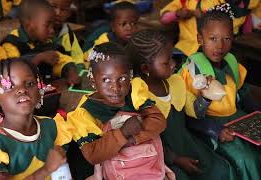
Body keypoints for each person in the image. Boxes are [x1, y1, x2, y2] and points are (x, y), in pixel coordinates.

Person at [127, 29, 231, 180]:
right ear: (145, 68)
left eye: (172, 58)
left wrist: (206, 97)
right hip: (163, 155)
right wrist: (175, 159)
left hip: (186, 144)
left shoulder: (175, 83)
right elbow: (144, 139)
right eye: (166, 61)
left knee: (218, 169)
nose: (173, 64)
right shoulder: (140, 95)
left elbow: (195, 111)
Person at [180, 4, 261, 180]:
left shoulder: (231, 62)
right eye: (213, 38)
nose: (220, 46)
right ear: (200, 39)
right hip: (211, 126)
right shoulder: (193, 71)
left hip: (238, 119)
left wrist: (257, 112)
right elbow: (189, 115)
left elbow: (242, 93)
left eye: (226, 39)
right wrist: (215, 130)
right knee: (246, 159)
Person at [68, 42, 170, 179]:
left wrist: (132, 138)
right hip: (119, 173)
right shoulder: (85, 113)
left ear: (131, 76)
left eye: (122, 78)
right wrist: (122, 133)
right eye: (106, 80)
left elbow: (159, 121)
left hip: (151, 165)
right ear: (93, 81)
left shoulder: (134, 93)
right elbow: (92, 154)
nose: (115, 88)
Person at [0, 58, 73, 179]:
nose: (22, 90)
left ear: (40, 92)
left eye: (29, 84)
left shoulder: (51, 126)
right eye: (9, 86)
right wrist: (46, 170)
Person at [1, 0, 80, 85]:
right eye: (47, 25)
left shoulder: (45, 41)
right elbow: (13, 72)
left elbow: (61, 59)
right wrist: (39, 58)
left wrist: (71, 72)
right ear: (29, 25)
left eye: (52, 26)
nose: (52, 31)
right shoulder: (12, 43)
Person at [47, 0, 84, 66]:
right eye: (53, 6)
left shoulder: (69, 34)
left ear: (69, 14)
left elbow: (78, 57)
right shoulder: (38, 34)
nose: (58, 13)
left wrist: (80, 69)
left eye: (63, 9)